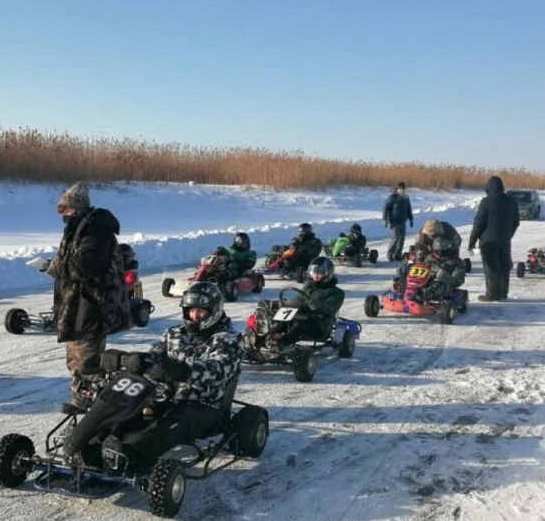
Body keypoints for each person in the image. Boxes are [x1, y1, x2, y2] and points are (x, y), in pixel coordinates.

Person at [100, 281, 243, 470]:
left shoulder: (229, 339)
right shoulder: (174, 333)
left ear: (214, 310)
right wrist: (135, 360)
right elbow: (156, 356)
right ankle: (95, 442)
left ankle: (131, 456)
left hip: (203, 404)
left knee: (175, 421)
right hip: (164, 394)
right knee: (130, 406)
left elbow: (218, 369)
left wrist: (182, 370)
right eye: (190, 311)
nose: (195, 316)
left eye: (201, 311)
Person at [46, 182, 132, 413]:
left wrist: (59, 266)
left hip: (92, 304)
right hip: (77, 303)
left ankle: (96, 402)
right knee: (75, 358)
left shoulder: (95, 230)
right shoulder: (79, 227)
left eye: (65, 209)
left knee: (88, 359)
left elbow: (86, 266)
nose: (62, 214)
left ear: (76, 208)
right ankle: (82, 397)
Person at [468, 176, 521, 302]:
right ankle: (503, 292)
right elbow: (516, 222)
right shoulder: (511, 201)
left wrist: (472, 241)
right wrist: (508, 235)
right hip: (504, 241)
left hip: (488, 242)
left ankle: (492, 294)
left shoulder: (486, 202)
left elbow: (479, 223)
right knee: (504, 266)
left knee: (491, 267)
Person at [276, 257, 345, 347]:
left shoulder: (337, 292)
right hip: (303, 316)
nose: (316, 276)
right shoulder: (308, 288)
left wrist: (315, 304)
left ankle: (281, 343)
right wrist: (284, 304)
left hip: (320, 324)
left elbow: (329, 307)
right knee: (280, 320)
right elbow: (298, 300)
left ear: (328, 273)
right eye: (314, 273)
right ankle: (267, 339)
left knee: (299, 325)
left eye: (319, 273)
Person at [418, 237, 466, 302]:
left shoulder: (456, 262)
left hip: (445, 285)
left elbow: (458, 280)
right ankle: (404, 291)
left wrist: (445, 276)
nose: (440, 253)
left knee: (438, 283)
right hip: (426, 280)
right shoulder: (429, 258)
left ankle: (426, 295)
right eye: (437, 251)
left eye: (442, 251)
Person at [383, 182, 415, 261]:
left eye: (403, 189)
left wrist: (411, 219)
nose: (402, 191)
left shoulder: (406, 198)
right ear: (397, 190)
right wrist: (384, 219)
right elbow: (385, 208)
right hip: (394, 221)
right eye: (400, 189)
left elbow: (409, 209)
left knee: (401, 239)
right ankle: (390, 254)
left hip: (403, 221)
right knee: (395, 238)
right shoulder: (392, 197)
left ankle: (398, 254)